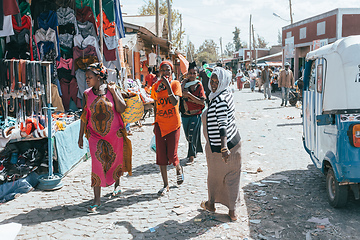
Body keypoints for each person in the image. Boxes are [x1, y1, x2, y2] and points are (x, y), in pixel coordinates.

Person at [78, 62, 132, 213]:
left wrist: (114, 92)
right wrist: (81, 136)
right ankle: (97, 200)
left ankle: (117, 185)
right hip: (95, 135)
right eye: (86, 77)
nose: (87, 80)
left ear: (100, 77)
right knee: (97, 163)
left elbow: (122, 108)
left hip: (114, 134)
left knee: (115, 160)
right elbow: (84, 116)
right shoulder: (86, 94)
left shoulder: (111, 89)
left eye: (90, 77)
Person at [200, 67, 242, 221]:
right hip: (234, 144)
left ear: (223, 82)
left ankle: (212, 204)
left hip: (221, 149)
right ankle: (232, 211)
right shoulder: (225, 93)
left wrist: (224, 147)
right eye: (212, 80)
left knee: (215, 178)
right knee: (232, 177)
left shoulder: (220, 100)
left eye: (217, 82)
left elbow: (222, 124)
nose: (214, 84)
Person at [151, 60, 184, 196]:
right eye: (163, 70)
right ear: (159, 72)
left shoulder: (175, 84)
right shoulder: (155, 87)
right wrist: (155, 122)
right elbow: (155, 105)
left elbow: (175, 101)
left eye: (168, 70)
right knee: (161, 156)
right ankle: (166, 185)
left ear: (171, 72)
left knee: (172, 154)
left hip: (173, 124)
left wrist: (167, 86)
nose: (165, 73)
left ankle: (178, 167)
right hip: (160, 124)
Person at [180, 62, 206, 165]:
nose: (192, 75)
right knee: (188, 136)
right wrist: (183, 82)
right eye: (190, 73)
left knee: (192, 135)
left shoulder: (199, 85)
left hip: (196, 115)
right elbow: (178, 94)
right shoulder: (183, 84)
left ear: (197, 74)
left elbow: (202, 101)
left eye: (194, 73)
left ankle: (191, 157)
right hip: (185, 115)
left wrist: (190, 96)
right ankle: (192, 152)